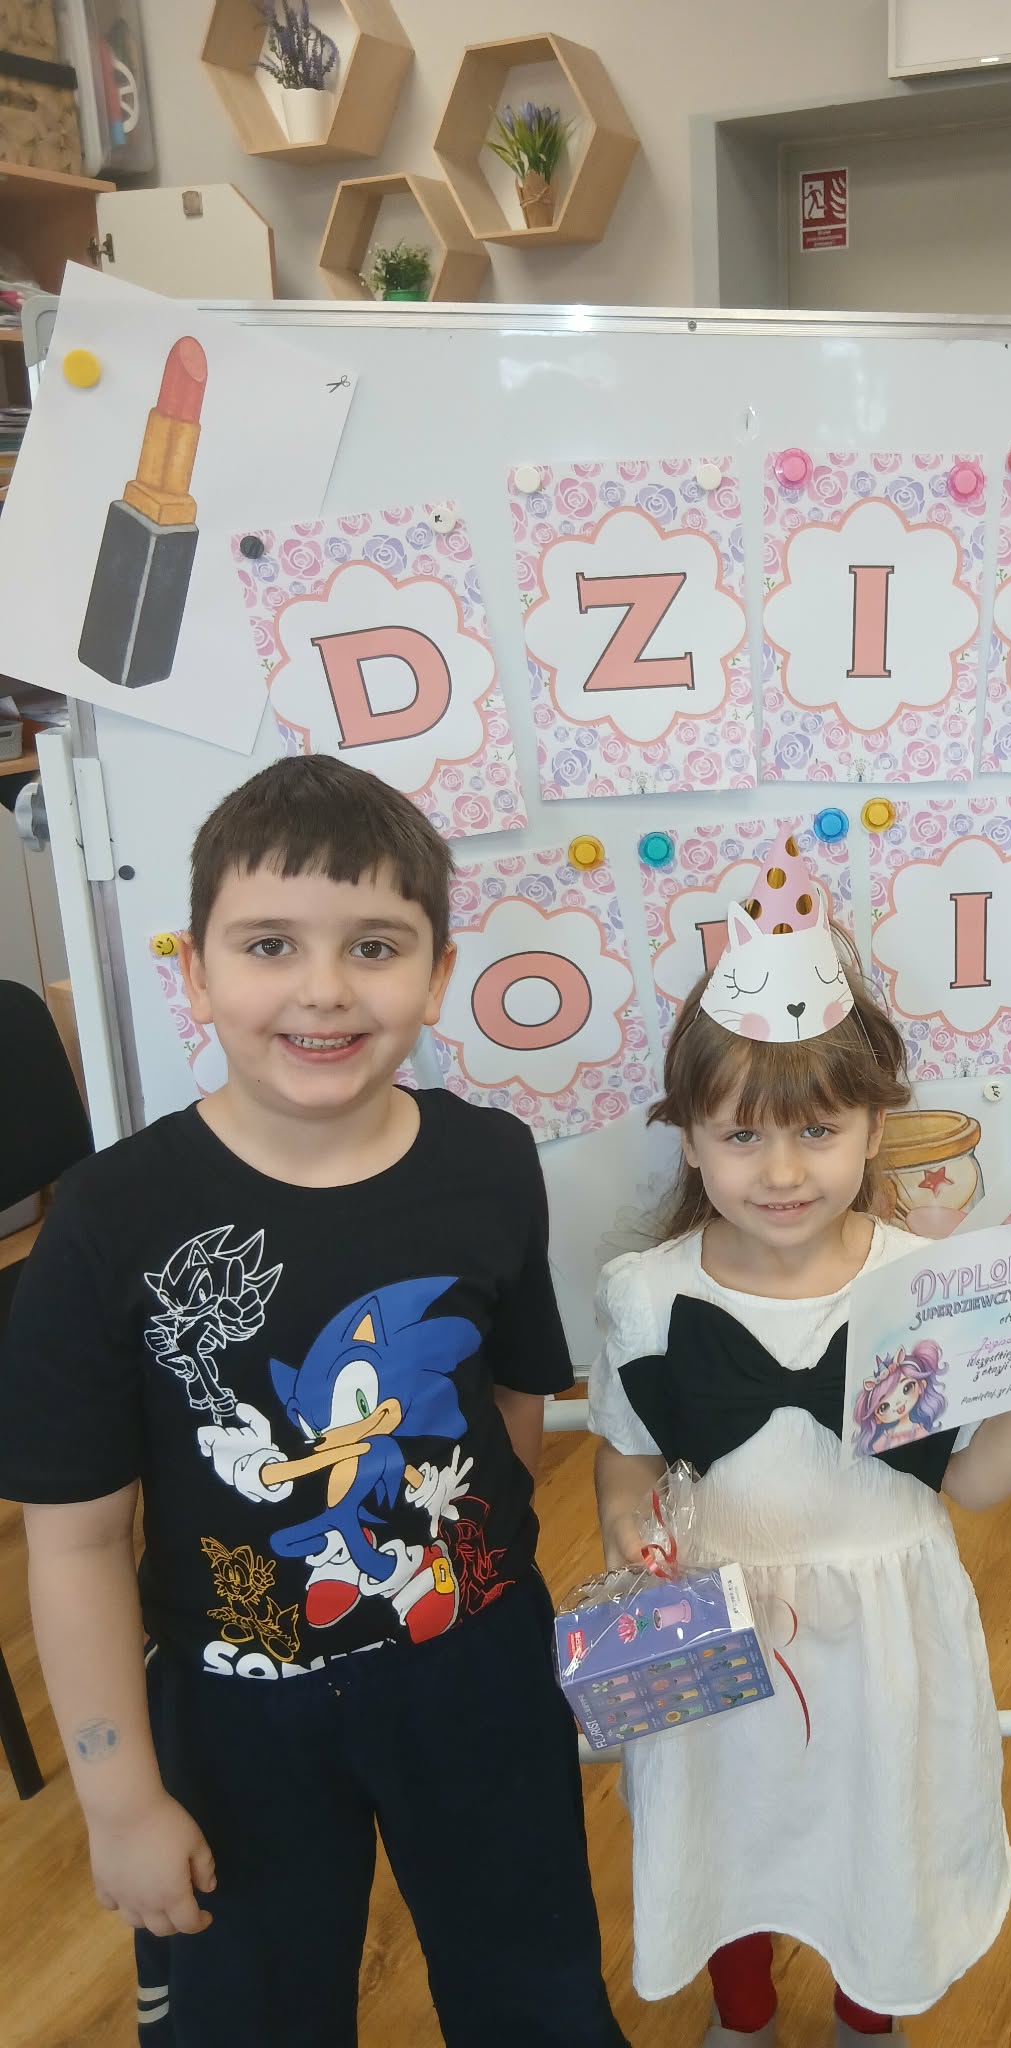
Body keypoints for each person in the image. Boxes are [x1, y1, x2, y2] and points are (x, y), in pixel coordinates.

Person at [0, 755, 626, 2048]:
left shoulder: (489, 1160)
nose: (325, 988)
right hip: (235, 1712)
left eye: (375, 945)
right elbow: (73, 1539)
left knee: (536, 1990)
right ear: (195, 973)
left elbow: (513, 1401)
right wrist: (119, 1798)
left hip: (478, 1673)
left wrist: (471, 1580)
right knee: (253, 2017)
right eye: (270, 943)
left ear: (437, 974)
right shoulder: (112, 1219)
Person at [587, 832, 1011, 2044]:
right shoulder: (644, 1294)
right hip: (718, 1619)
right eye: (740, 1135)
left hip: (887, 1632)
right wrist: (624, 1517)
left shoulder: (930, 1285)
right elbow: (624, 1450)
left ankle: (866, 2021)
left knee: (885, 1831)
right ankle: (742, 2015)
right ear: (689, 1138)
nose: (781, 1170)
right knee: (723, 1824)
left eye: (818, 1130)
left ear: (876, 1128)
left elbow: (970, 1484)